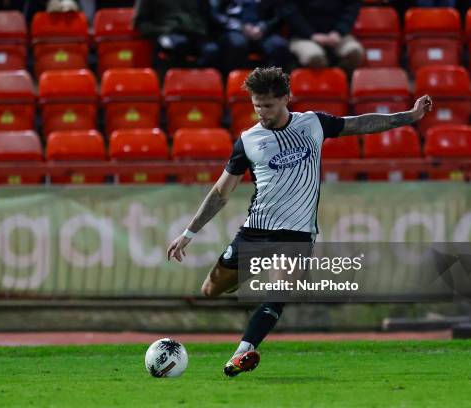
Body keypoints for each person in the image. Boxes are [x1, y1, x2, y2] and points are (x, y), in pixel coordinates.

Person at [166, 66, 433, 377]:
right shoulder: (249, 141)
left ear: (286, 98)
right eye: (256, 105)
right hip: (255, 231)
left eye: (268, 105)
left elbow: (360, 124)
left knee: (280, 292)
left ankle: (242, 353)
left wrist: (408, 117)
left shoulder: (313, 123)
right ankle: (250, 275)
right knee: (210, 290)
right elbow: (221, 192)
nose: (261, 112)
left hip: (296, 234)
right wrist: (189, 232)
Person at [209, 0, 293, 74]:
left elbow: (277, 15)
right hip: (234, 29)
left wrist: (263, 27)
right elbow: (215, 14)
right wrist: (240, 27)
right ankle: (237, 87)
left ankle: (271, 87)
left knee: (279, 45)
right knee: (237, 44)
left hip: (261, 30)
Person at [283, 0, 364, 74]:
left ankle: (339, 83)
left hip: (338, 34)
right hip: (303, 36)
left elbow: (351, 8)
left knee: (355, 52)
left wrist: (338, 32)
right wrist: (311, 34)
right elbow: (290, 12)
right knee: (314, 58)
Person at [134, 0, 219, 69]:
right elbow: (141, 23)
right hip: (166, 34)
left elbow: (208, 16)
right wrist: (163, 31)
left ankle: (203, 87)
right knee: (179, 45)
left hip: (195, 34)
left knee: (212, 50)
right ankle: (174, 87)